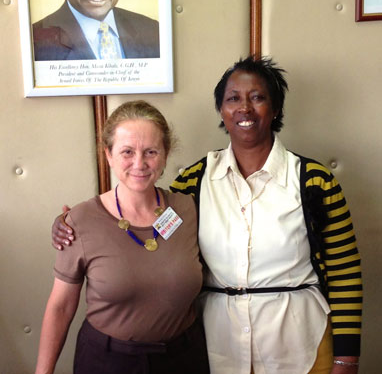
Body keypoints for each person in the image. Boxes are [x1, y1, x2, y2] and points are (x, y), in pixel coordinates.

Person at [53, 56, 362, 374]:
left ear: (276, 109)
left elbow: (345, 273)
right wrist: (74, 226)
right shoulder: (193, 183)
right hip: (219, 350)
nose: (244, 108)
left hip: (300, 346)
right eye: (233, 99)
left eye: (257, 97)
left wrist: (347, 358)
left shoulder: (313, 180)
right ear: (221, 111)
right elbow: (148, 230)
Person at [36, 101, 210, 374]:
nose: (139, 163)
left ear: (165, 155)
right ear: (109, 155)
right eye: (127, 152)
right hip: (108, 362)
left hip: (184, 359)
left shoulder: (188, 208)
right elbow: (59, 308)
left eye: (151, 151)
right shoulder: (79, 222)